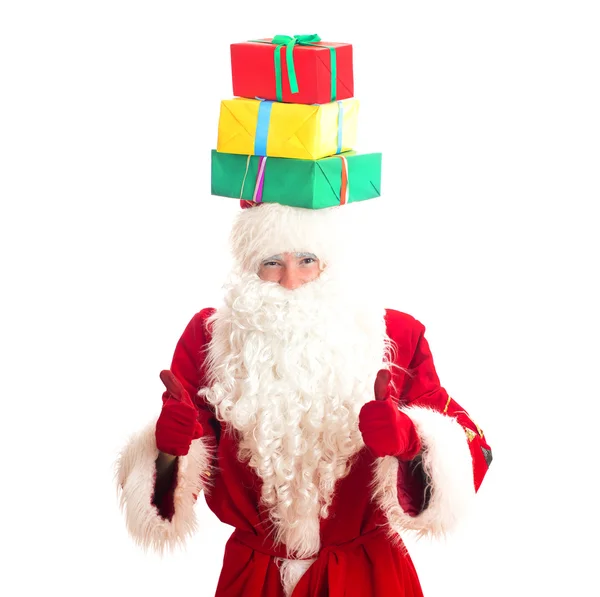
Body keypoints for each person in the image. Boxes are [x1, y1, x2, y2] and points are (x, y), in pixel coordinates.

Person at [116, 199, 493, 597]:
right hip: (256, 580)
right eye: (272, 262)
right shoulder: (211, 339)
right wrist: (169, 451)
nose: (290, 280)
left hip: (367, 579)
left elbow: (472, 447)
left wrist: (412, 444)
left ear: (329, 263)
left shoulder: (394, 335)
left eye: (307, 260)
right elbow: (166, 497)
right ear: (250, 267)